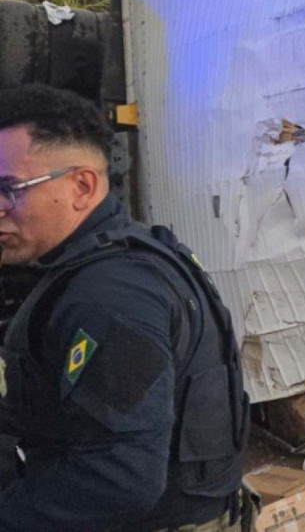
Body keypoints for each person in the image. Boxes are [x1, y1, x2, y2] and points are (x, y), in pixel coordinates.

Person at [0, 84, 250, 530]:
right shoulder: (114, 255)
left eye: (9, 189)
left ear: (82, 185)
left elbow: (121, 478)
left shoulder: (113, 297)